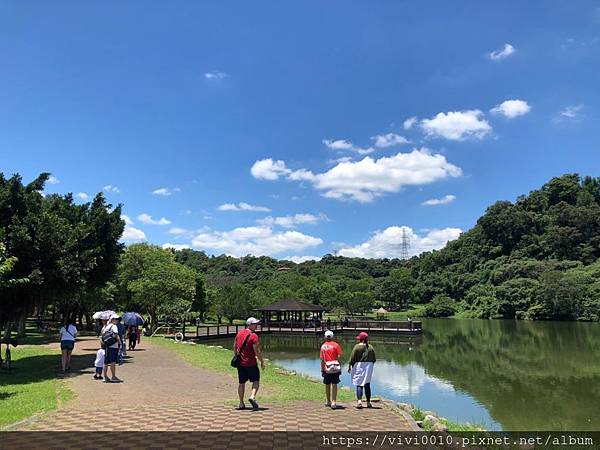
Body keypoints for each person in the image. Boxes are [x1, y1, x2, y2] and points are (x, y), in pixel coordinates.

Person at [233, 317, 265, 410]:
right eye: (255, 324)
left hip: (240, 364)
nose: (256, 325)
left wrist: (237, 356)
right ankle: (252, 396)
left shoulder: (239, 333)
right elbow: (257, 351)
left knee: (241, 382)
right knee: (256, 381)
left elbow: (234, 346)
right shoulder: (254, 336)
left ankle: (241, 403)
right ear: (249, 324)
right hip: (251, 363)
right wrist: (262, 361)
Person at [348, 331, 376, 409]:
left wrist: (350, 366)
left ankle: (359, 401)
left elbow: (352, 358)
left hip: (359, 366)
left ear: (361, 339)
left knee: (359, 384)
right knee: (367, 384)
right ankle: (368, 402)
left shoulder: (357, 347)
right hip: (369, 367)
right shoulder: (371, 347)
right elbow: (374, 359)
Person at [320, 330, 342, 409]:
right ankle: (334, 401)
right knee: (335, 384)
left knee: (327, 384)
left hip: (327, 368)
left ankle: (328, 401)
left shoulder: (323, 346)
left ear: (325, 337)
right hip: (335, 367)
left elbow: (322, 360)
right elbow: (338, 357)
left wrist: (322, 369)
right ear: (332, 337)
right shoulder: (336, 345)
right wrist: (340, 367)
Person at [101, 314, 122, 383]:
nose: (117, 320)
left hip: (107, 346)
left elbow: (102, 335)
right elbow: (116, 334)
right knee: (113, 361)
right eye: (115, 319)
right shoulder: (114, 326)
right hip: (113, 346)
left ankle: (105, 377)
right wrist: (120, 342)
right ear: (112, 319)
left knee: (106, 362)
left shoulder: (107, 326)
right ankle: (113, 376)